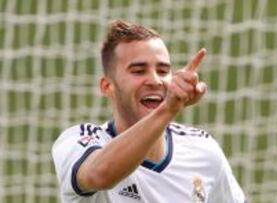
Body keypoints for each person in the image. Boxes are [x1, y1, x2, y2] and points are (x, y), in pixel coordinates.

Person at [52, 19, 246, 203]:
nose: (155, 80)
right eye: (138, 71)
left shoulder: (203, 150)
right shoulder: (78, 141)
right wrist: (168, 109)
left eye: (163, 71)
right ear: (107, 86)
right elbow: (100, 174)